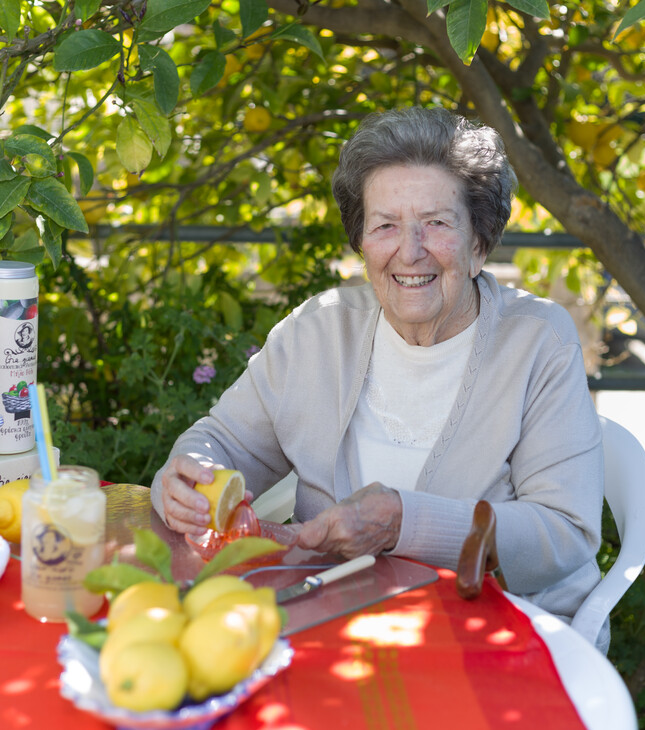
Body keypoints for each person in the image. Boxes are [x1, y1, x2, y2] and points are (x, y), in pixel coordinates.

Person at [151, 106, 605, 649]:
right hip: (336, 625)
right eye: (385, 225)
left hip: (495, 636)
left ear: (479, 243)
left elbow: (565, 532)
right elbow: (220, 441)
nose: (409, 251)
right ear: (362, 242)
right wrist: (189, 480)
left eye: (436, 223)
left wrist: (403, 522)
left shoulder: (538, 343)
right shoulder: (318, 330)